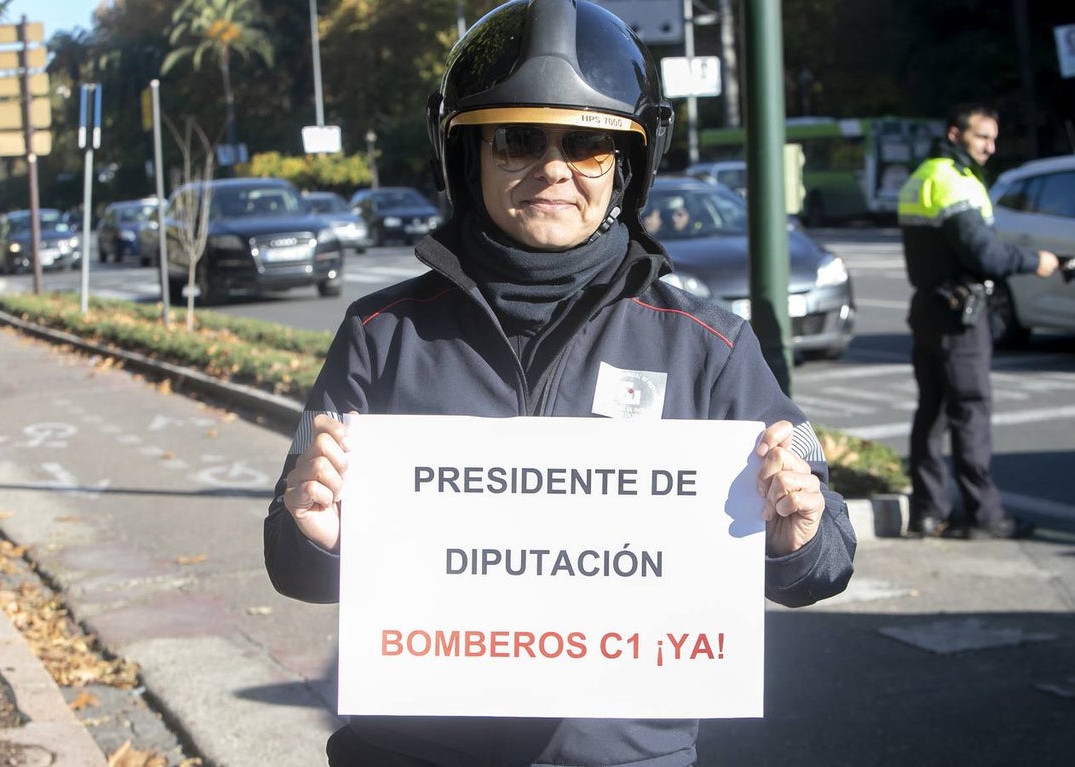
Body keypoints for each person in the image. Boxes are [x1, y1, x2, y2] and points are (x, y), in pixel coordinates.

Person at [264, 1, 856, 765]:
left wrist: (798, 531)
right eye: (517, 139)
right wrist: (312, 530)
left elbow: (826, 528)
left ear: (629, 164)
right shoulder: (380, 336)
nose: (553, 169)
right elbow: (292, 556)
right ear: (466, 154)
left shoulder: (711, 344)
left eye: (586, 144)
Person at [897, 102, 1058, 540]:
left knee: (931, 414)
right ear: (955, 134)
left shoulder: (922, 177)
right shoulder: (952, 182)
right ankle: (984, 517)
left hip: (929, 309)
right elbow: (984, 254)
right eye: (981, 137)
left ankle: (928, 510)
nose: (990, 147)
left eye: (992, 138)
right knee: (970, 411)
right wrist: (1034, 260)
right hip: (959, 316)